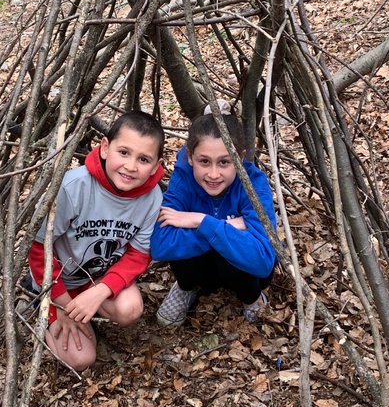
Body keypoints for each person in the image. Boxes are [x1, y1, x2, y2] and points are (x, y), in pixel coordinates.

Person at [25, 110, 165, 371]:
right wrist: (63, 305)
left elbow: (138, 255)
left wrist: (100, 292)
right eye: (124, 152)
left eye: (143, 159)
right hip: (56, 283)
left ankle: (87, 310)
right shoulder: (74, 187)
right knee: (81, 360)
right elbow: (38, 249)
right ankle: (40, 308)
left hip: (96, 279)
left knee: (130, 309)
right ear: (105, 147)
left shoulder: (152, 198)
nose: (131, 166)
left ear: (156, 166)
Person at [151, 109, 277, 327]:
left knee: (237, 250)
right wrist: (229, 226)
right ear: (190, 157)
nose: (213, 174)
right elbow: (160, 245)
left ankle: (251, 298)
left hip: (241, 272)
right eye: (204, 161)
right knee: (224, 240)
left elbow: (264, 261)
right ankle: (186, 287)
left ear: (240, 158)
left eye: (224, 162)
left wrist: (200, 221)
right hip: (200, 266)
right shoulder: (184, 178)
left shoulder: (253, 183)